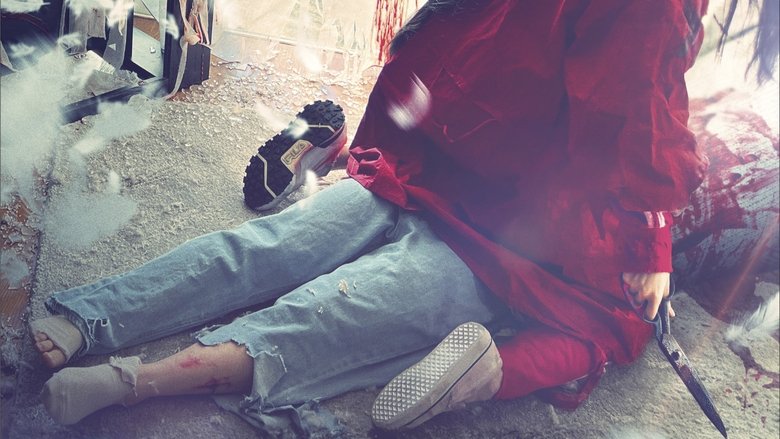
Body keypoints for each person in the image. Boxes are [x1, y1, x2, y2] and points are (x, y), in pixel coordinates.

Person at [30, 0, 777, 432]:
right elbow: (637, 105)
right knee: (325, 301)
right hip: (517, 224)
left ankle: (98, 336)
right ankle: (128, 372)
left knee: (280, 256)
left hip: (447, 155)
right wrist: (649, 238)